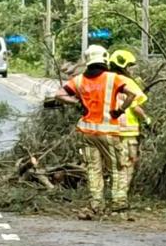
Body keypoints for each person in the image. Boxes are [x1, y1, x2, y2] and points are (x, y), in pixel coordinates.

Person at [56, 44, 137, 215]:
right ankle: (118, 202)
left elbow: (59, 95)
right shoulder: (113, 78)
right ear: (104, 59)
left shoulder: (78, 80)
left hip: (87, 132)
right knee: (118, 167)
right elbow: (131, 95)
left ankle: (96, 203)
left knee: (94, 168)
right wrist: (120, 110)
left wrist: (77, 103)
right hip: (109, 131)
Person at [107, 49, 151, 188]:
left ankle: (113, 190)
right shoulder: (128, 83)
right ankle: (121, 194)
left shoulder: (105, 80)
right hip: (127, 132)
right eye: (129, 66)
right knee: (128, 163)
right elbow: (135, 107)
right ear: (124, 66)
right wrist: (146, 119)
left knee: (114, 163)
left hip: (107, 129)